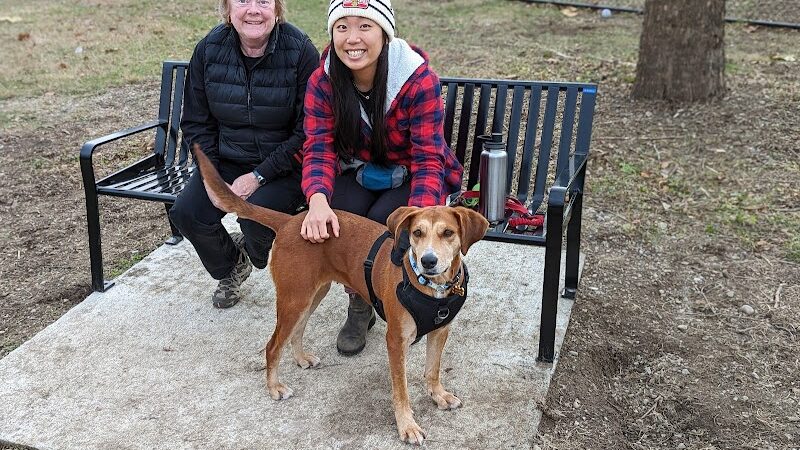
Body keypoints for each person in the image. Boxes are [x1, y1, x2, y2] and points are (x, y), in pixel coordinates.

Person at [300, 0, 463, 355]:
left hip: (413, 175)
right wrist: (317, 200)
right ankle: (362, 302)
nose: (352, 38)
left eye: (365, 26)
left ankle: (414, 299)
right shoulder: (323, 80)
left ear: (384, 33)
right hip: (359, 171)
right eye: (342, 27)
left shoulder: (417, 80)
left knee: (384, 226)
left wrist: (420, 216)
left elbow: (429, 158)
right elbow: (318, 147)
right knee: (339, 219)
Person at [170, 0, 319, 309]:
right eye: (242, 0)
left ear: (277, 9)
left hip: (283, 166)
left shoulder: (300, 51)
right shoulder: (209, 49)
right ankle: (231, 265)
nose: (253, 10)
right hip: (226, 159)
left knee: (254, 219)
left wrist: (259, 175)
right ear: (227, 9)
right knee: (188, 212)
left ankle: (255, 252)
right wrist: (211, 179)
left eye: (263, 1)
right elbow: (196, 123)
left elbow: (308, 130)